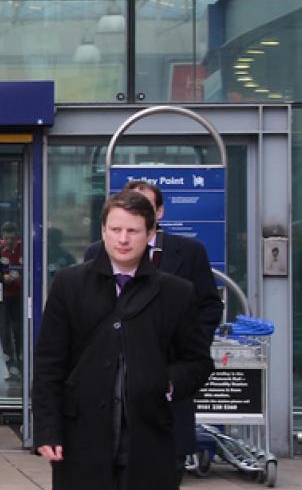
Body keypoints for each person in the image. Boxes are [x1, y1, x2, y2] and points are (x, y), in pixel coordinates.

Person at [32, 190, 211, 490]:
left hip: (149, 436)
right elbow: (49, 363)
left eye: (133, 230)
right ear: (103, 231)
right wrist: (46, 427)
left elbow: (198, 360)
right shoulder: (71, 285)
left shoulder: (174, 291)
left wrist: (167, 382)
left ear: (150, 235)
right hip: (85, 433)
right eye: (115, 229)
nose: (123, 238)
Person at [83, 179, 225, 468]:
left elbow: (209, 305)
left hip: (165, 368)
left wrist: (191, 344)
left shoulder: (188, 251)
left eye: (144, 206)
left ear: (158, 214)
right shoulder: (96, 252)